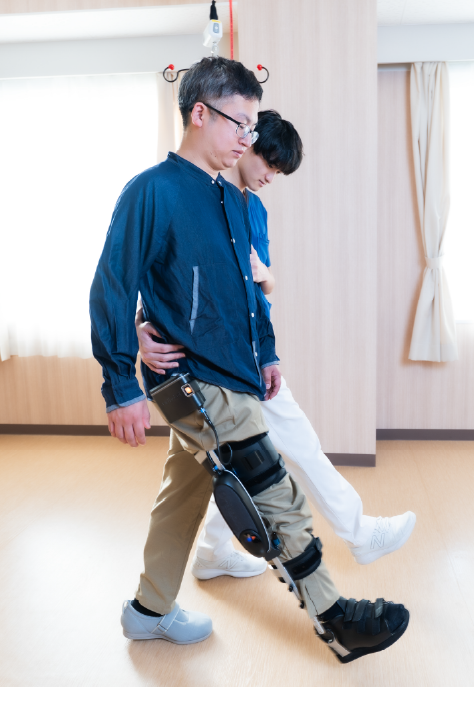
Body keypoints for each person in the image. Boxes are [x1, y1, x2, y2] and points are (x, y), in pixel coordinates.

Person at [89, 57, 409, 663]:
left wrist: (267, 354)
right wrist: (121, 386)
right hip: (195, 379)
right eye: (240, 123)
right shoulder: (152, 191)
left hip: (238, 371)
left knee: (183, 496)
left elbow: (246, 292)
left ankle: (149, 610)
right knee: (270, 487)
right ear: (199, 113)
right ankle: (337, 620)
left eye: (252, 126)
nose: (247, 137)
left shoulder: (233, 202)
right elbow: (114, 285)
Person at [137, 110, 416, 581]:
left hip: (244, 355)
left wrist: (268, 343)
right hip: (209, 359)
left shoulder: (254, 210)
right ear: (243, 140)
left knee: (231, 459)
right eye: (268, 162)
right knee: (284, 447)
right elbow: (158, 273)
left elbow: (257, 287)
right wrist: (140, 325)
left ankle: (212, 550)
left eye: (278, 171)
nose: (270, 175)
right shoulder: (190, 197)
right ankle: (358, 532)